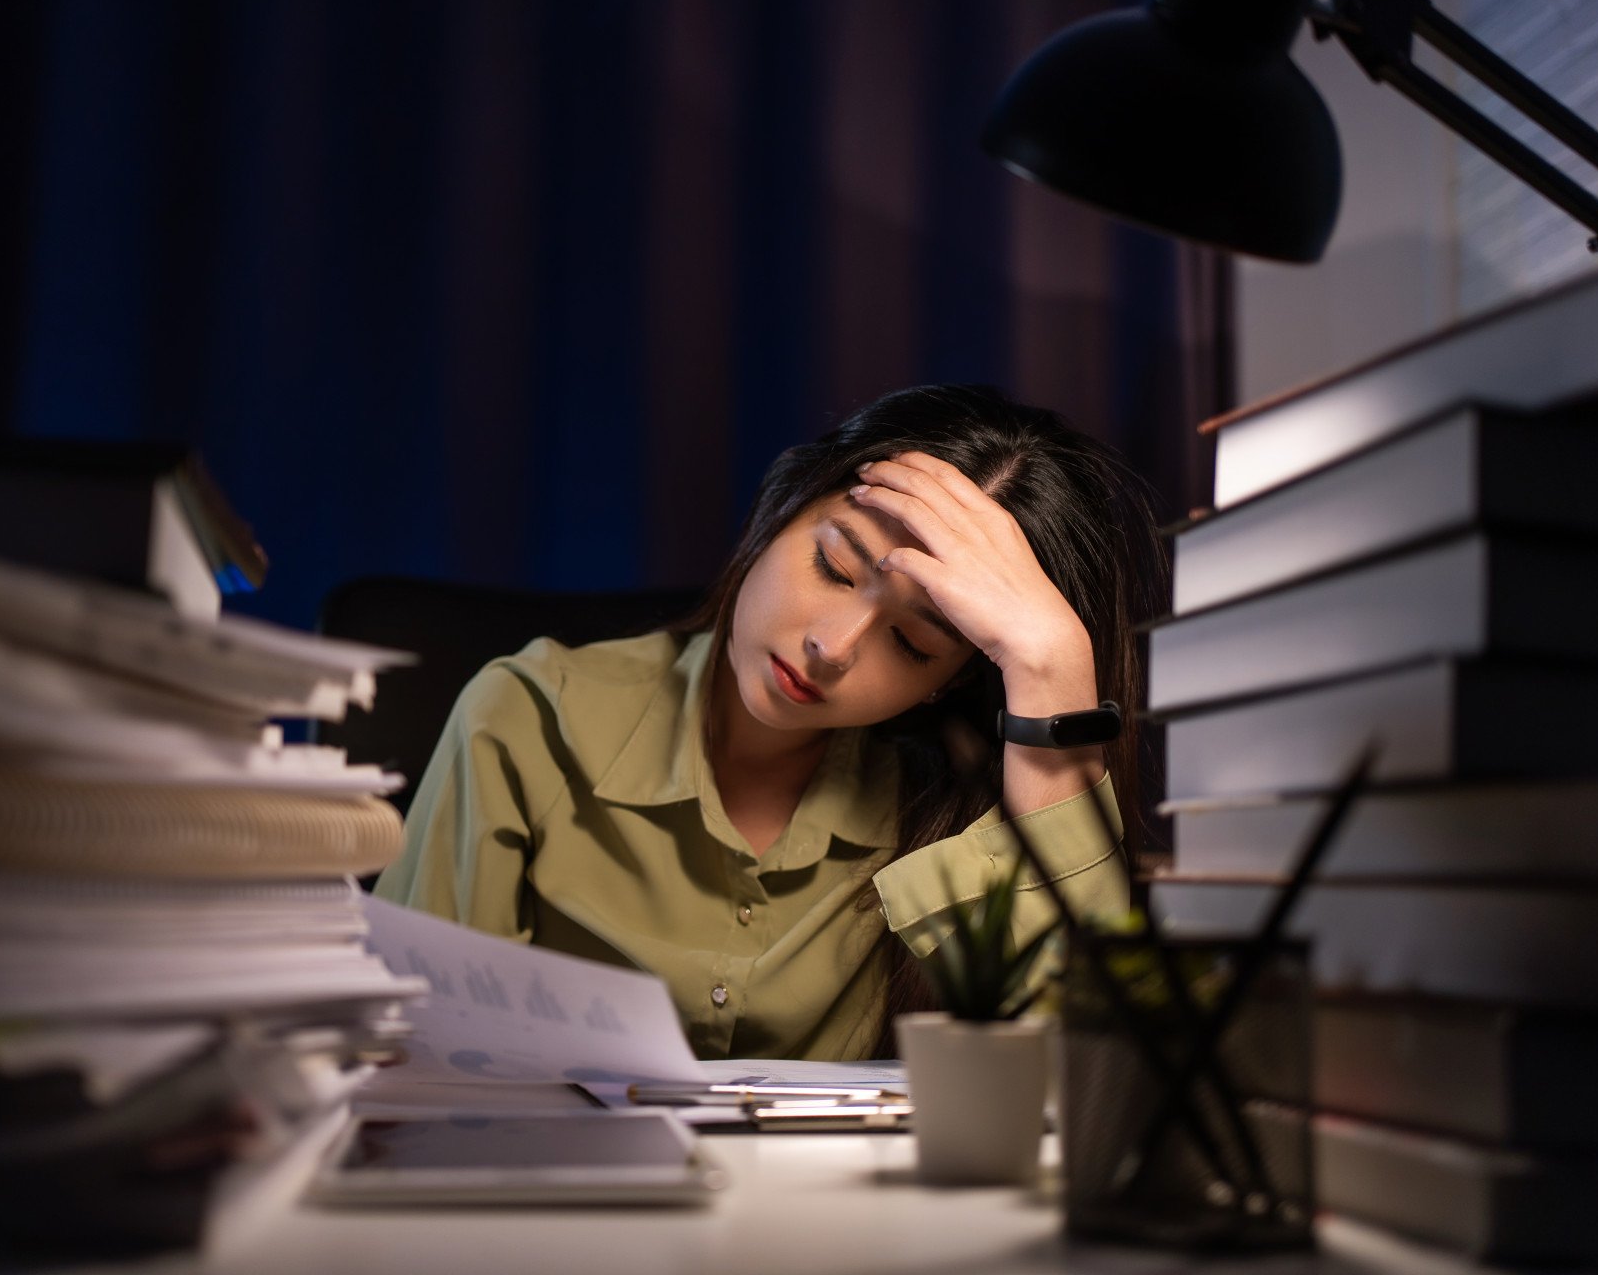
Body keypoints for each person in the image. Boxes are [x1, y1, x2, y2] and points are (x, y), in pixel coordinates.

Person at [373, 384, 1167, 1060]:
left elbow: (1079, 1073)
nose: (830, 646)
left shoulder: (946, 804)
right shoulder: (525, 718)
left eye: (911, 643)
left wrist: (1053, 670)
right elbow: (414, 1057)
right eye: (834, 565)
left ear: (948, 682)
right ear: (781, 508)